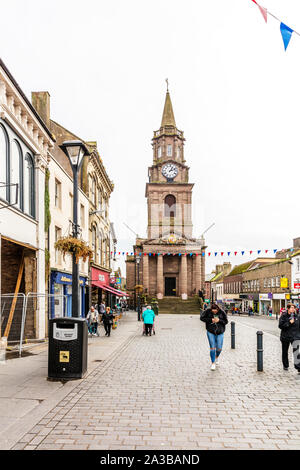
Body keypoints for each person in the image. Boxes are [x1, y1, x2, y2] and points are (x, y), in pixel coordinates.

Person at [200, 303, 228, 371]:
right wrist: (210, 320)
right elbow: (202, 318)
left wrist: (219, 320)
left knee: (219, 348)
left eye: (215, 310)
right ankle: (213, 363)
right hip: (210, 331)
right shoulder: (207, 311)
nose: (214, 311)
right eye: (213, 310)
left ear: (218, 309)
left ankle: (216, 357)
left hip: (220, 332)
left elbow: (226, 321)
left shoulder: (222, 312)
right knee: (212, 347)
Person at [279, 303, 300, 372]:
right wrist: (289, 322)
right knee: (285, 352)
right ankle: (285, 365)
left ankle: (298, 367)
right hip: (285, 337)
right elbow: (280, 326)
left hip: (295, 337)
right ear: (288, 308)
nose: (293, 309)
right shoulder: (284, 316)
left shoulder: (297, 316)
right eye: (291, 307)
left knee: (296, 352)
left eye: (294, 308)